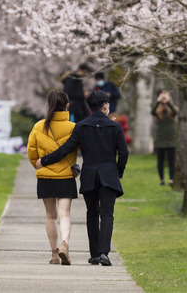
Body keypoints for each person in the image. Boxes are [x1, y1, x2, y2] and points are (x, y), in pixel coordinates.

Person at [38, 90, 129, 267]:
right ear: (105, 107)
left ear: (89, 107)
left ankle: (94, 254)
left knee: (92, 212)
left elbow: (66, 149)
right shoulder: (115, 126)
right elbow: (123, 153)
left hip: (89, 175)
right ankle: (104, 253)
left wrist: (45, 160)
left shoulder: (81, 126)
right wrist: (118, 171)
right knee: (107, 214)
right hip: (109, 174)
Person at [26, 91, 78, 265]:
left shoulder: (39, 126)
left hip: (45, 177)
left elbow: (32, 152)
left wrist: (40, 166)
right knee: (64, 215)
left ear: (49, 105)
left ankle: (54, 254)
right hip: (65, 177)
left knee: (50, 216)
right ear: (67, 105)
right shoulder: (72, 127)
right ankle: (65, 245)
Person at [151, 89, 178, 186]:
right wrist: (158, 101)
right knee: (160, 161)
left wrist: (168, 102)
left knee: (171, 160)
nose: (163, 98)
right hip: (160, 138)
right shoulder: (157, 108)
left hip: (171, 138)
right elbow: (152, 112)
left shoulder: (172, 107)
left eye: (165, 96)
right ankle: (161, 179)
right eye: (162, 96)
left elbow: (175, 112)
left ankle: (171, 179)